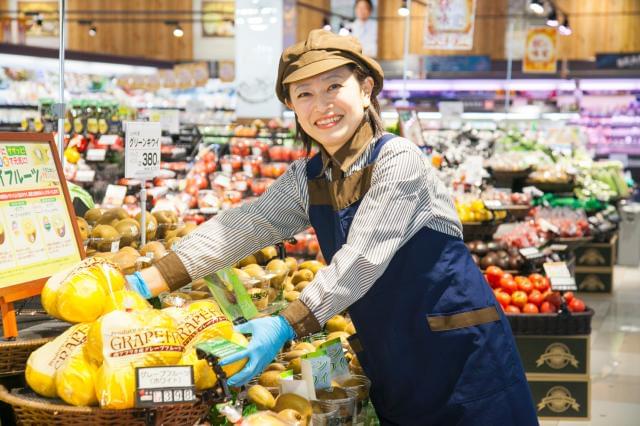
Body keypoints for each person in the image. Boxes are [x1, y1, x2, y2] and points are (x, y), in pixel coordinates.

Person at [126, 30, 538, 425]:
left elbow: (362, 257)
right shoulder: (309, 178)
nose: (320, 105)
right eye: (304, 94)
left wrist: (287, 322)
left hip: (464, 358)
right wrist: (151, 280)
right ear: (291, 105)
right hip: (394, 362)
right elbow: (243, 226)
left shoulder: (400, 161)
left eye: (333, 87)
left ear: (366, 89)